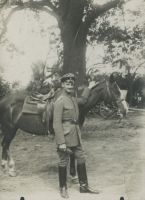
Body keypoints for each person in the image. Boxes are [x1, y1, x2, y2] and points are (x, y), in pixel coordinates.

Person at [53, 73, 99, 198]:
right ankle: (63, 188)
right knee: (63, 161)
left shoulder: (73, 99)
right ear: (62, 85)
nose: (69, 85)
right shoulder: (60, 101)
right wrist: (61, 142)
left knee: (81, 157)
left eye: (71, 83)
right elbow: (56, 124)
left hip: (76, 133)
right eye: (67, 83)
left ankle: (84, 186)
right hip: (65, 135)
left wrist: (89, 88)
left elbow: (84, 101)